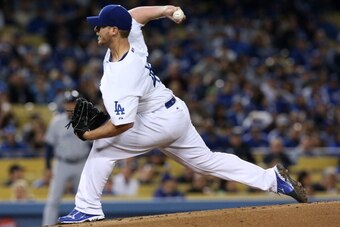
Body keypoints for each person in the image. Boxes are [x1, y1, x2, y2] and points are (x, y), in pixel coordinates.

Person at [58, 5, 307, 224]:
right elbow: (134, 15)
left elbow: (123, 125)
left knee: (103, 145)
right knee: (206, 162)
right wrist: (166, 9)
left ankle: (87, 209)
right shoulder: (129, 36)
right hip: (173, 111)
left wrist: (90, 134)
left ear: (113, 30)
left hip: (157, 121)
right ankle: (272, 179)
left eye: (100, 26)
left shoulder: (122, 77)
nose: (96, 30)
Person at [42, 90, 92, 226]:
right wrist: (47, 167)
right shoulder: (56, 122)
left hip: (81, 163)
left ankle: (88, 224)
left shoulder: (86, 120)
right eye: (69, 103)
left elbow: (93, 145)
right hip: (61, 163)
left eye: (74, 103)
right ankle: (47, 225)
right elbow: (49, 146)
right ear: (64, 105)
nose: (71, 106)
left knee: (85, 200)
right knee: (53, 200)